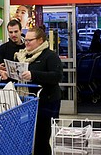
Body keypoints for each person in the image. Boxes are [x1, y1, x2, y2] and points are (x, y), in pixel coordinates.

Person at [14, 26, 63, 155]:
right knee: (27, 137)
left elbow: (57, 76)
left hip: (46, 102)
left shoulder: (50, 56)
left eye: (31, 40)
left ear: (40, 40)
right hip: (26, 102)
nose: (27, 42)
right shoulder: (22, 56)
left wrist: (33, 75)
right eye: (26, 40)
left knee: (41, 138)